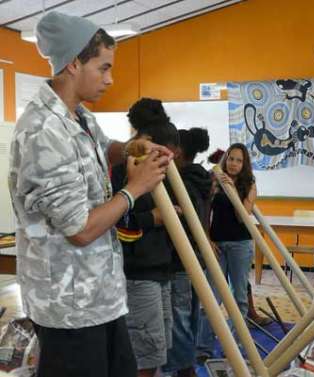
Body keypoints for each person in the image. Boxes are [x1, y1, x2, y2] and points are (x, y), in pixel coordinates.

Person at [8, 11, 172, 377]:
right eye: (103, 68)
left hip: (101, 298)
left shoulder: (77, 115)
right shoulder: (42, 131)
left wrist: (133, 148)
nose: (110, 79)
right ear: (72, 64)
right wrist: (135, 188)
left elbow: (103, 146)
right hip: (69, 308)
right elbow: (80, 228)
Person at [112, 98, 179, 377]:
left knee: (158, 347)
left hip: (159, 269)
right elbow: (117, 222)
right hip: (139, 274)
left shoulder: (158, 172)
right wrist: (153, 218)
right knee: (145, 352)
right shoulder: (124, 171)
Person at [197, 143, 257, 361]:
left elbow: (244, 216)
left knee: (239, 298)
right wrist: (207, 238)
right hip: (218, 244)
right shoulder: (215, 181)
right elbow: (203, 212)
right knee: (211, 297)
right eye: (231, 158)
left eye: (238, 160)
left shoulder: (249, 184)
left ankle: (233, 347)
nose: (233, 164)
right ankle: (203, 347)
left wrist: (232, 189)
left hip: (241, 245)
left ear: (244, 164)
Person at [163, 127, 212, 377]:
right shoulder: (202, 179)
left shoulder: (180, 183)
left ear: (178, 151)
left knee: (179, 317)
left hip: (180, 260)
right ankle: (187, 362)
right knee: (191, 314)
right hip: (196, 259)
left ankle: (184, 369)